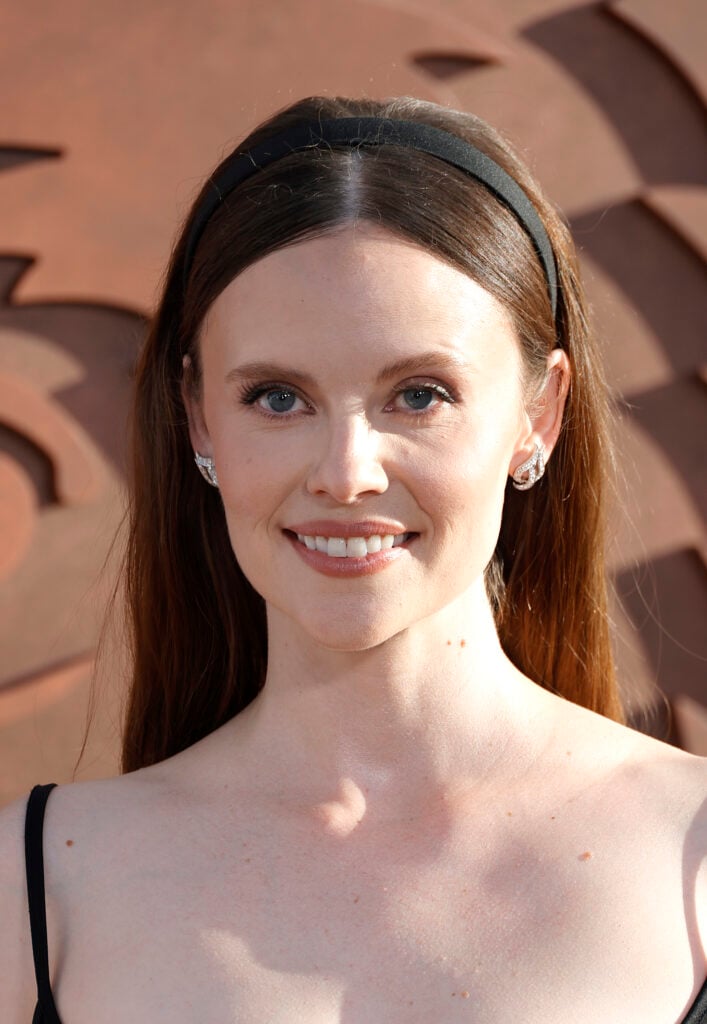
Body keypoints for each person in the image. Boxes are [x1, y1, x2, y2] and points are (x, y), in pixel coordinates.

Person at [1, 95, 705, 1023]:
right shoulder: (32, 893)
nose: (346, 473)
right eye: (277, 398)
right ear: (199, 415)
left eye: (418, 394)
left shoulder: (694, 856)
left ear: (540, 415)